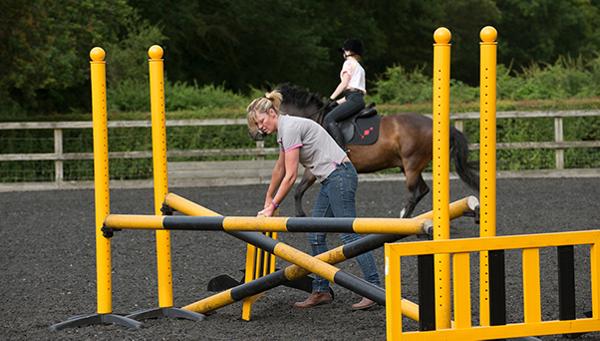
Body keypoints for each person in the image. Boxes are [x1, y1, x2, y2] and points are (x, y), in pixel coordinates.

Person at [246, 90, 381, 311]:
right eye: (257, 125)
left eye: (261, 122)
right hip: (331, 179)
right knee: (316, 234)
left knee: (349, 234)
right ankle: (321, 291)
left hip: (339, 176)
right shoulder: (285, 129)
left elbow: (290, 176)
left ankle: (374, 289)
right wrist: (268, 198)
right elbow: (279, 168)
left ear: (272, 112)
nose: (261, 128)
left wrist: (273, 206)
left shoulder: (289, 128)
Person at [324, 39, 367, 152]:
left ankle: (341, 150)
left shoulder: (348, 63)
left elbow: (344, 84)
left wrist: (331, 98)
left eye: (344, 51)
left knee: (329, 118)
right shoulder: (360, 68)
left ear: (348, 51)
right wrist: (336, 102)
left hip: (353, 99)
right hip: (356, 99)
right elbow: (353, 92)